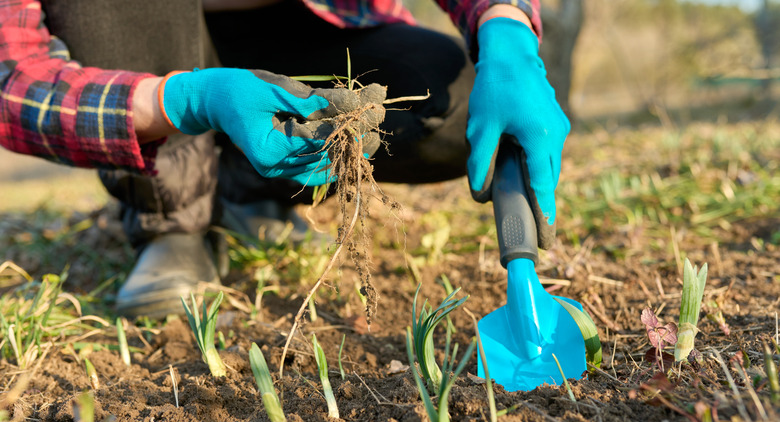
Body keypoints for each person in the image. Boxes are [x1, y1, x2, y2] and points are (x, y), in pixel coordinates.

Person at [0, 0, 569, 319]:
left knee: (455, 101)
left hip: (303, 24)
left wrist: (506, 27)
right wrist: (187, 99)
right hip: (143, 35)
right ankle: (172, 214)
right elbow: (14, 78)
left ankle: (243, 183)